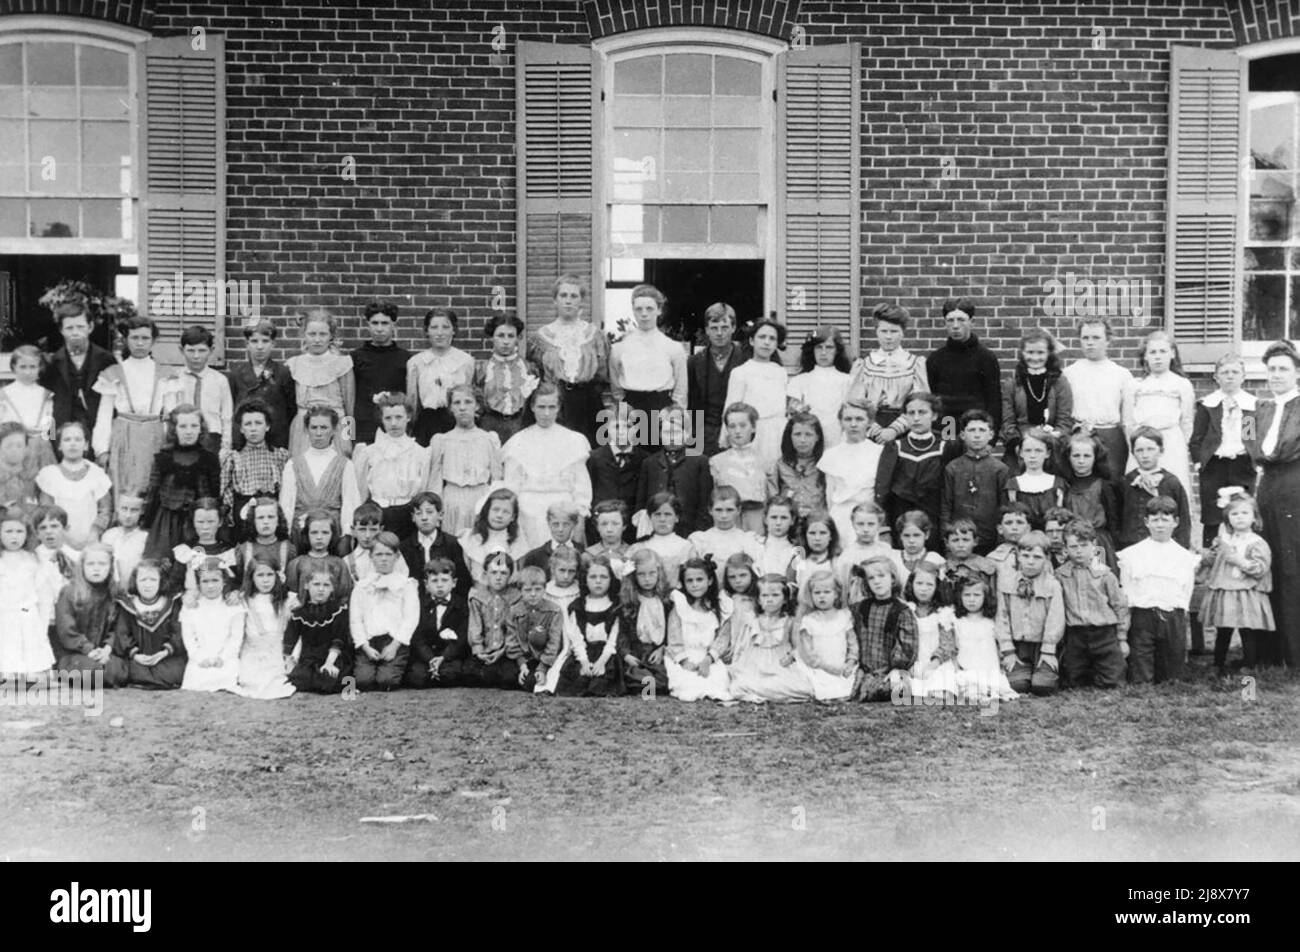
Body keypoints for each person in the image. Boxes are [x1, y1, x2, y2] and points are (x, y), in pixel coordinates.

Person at [1248, 341, 1300, 668]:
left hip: (1295, 486)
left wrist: (1271, 457)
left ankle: (1295, 651)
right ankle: (1271, 650)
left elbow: (1289, 450)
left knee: (1292, 566)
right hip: (1266, 488)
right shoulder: (1258, 409)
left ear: (1296, 373)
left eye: (1283, 369)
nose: (1277, 375)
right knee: (1268, 563)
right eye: (1272, 369)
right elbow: (1250, 444)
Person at [1118, 496, 1199, 684]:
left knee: (1172, 675)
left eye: (1165, 520)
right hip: (1143, 615)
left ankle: (1169, 679)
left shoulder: (1184, 557)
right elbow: (1127, 587)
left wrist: (1181, 612)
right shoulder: (1132, 554)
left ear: (1176, 522)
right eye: (1155, 520)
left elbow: (1186, 588)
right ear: (1146, 522)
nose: (1160, 525)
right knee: (1141, 665)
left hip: (1172, 616)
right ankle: (1142, 682)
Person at [502, 382, 592, 550]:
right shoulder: (518, 442)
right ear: (532, 407)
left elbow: (582, 486)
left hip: (563, 512)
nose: (546, 413)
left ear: (559, 408)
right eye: (541, 407)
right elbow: (511, 486)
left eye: (552, 407)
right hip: (528, 513)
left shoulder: (573, 440)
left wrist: (580, 518)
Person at [528, 274, 611, 446]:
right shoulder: (541, 338)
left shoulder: (594, 336)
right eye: (563, 295)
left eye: (574, 296)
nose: (568, 301)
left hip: (589, 403)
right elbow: (535, 378)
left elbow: (604, 377)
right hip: (556, 403)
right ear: (554, 300)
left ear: (581, 301)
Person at [92, 315, 169, 500]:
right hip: (123, 437)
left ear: (153, 341)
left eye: (145, 338)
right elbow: (103, 415)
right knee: (124, 489)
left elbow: (170, 413)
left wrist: (169, 446)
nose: (140, 343)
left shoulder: (165, 374)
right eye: (135, 338)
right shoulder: (114, 373)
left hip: (154, 437)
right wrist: (101, 449)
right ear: (126, 340)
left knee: (151, 486)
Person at [1200, 492, 1276, 677]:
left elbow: (1260, 568)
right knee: (1223, 629)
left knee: (1247, 629)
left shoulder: (1257, 542)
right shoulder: (1224, 541)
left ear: (1254, 517)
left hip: (1246, 592)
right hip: (1225, 590)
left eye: (1244, 513)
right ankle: (1217, 664)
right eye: (1234, 514)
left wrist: (1239, 561)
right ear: (1228, 519)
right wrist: (1210, 556)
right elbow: (1214, 563)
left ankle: (1249, 665)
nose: (1239, 517)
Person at [874, 392, 959, 549]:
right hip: (900, 516)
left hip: (933, 516)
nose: (916, 418)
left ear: (934, 416)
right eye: (911, 413)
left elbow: (950, 489)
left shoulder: (945, 446)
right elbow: (882, 490)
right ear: (905, 416)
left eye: (922, 412)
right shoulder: (895, 447)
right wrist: (884, 527)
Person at [1190, 353, 1258, 547]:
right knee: (1213, 515)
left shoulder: (1249, 405)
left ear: (1243, 376)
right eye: (1225, 372)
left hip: (1241, 464)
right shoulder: (1208, 405)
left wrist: (1254, 461)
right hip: (1214, 466)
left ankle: (1242, 551)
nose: (1230, 376)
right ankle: (1211, 559)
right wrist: (1198, 462)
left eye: (1235, 372)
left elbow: (1250, 437)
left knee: (1241, 511)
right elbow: (1196, 439)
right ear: (1216, 377)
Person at [141, 406, 222, 564]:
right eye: (183, 426)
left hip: (199, 524)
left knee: (198, 566)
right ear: (174, 429)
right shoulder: (163, 458)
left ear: (201, 428)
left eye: (194, 426)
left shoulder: (209, 459)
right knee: (164, 563)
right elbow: (153, 492)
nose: (189, 431)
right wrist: (147, 522)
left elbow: (214, 494)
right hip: (166, 523)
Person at [1056, 520, 1129, 689]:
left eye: (1083, 545)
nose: (1079, 551)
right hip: (1075, 635)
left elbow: (1120, 606)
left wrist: (1122, 637)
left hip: (1104, 633)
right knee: (1072, 680)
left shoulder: (1105, 574)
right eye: (1073, 547)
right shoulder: (1060, 575)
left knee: (1113, 679)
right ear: (1066, 548)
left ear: (1093, 545)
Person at [1124, 331, 1195, 502]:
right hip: (1142, 441)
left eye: (1163, 352)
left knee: (1171, 485)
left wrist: (1178, 443)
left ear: (1172, 354)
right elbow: (1128, 421)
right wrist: (1134, 446)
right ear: (1145, 356)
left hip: (1171, 441)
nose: (1158, 357)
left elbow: (1187, 421)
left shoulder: (1182, 384)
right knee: (1140, 486)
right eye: (1153, 352)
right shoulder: (1135, 385)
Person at [1062, 318, 1133, 483]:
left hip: (1111, 438)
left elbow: (1128, 417)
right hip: (1079, 436)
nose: (1090, 343)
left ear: (1108, 340)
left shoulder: (1121, 374)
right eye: (1085, 338)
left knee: (1112, 485)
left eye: (1096, 338)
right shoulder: (1069, 373)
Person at [993, 531, 1064, 696]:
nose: (1031, 561)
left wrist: (1048, 650)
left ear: (1046, 559)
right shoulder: (1007, 582)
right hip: (1018, 646)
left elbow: (1056, 619)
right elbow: (1001, 617)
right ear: (1018, 556)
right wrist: (1008, 651)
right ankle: (1021, 669)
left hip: (1043, 646)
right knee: (1018, 685)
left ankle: (1044, 669)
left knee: (1043, 686)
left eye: (1037, 557)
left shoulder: (1052, 585)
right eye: (1026, 556)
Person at [40, 303, 116, 455]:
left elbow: (114, 404)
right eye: (69, 328)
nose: (75, 332)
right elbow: (45, 407)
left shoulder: (106, 360)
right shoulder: (52, 363)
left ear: (90, 327)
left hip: (97, 433)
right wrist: (48, 441)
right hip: (63, 437)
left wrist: (106, 446)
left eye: (80, 327)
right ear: (61, 330)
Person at [426, 384, 502, 537]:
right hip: (452, 500)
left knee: (486, 545)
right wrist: (435, 510)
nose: (462, 408)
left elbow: (497, 479)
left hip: (481, 499)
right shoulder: (442, 440)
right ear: (451, 408)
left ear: (477, 406)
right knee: (453, 545)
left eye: (468, 402)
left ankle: (496, 561)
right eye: (457, 403)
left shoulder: (489, 439)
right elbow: (434, 481)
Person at [728, 573, 814, 703]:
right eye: (765, 595)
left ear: (785, 599)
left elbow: (798, 646)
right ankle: (760, 692)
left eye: (775, 595)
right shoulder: (753, 620)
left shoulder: (789, 621)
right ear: (758, 599)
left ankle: (766, 692)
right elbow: (743, 645)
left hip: (780, 665)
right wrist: (739, 663)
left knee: (802, 687)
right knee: (738, 686)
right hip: (755, 664)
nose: (769, 599)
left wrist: (791, 656)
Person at [847, 303, 929, 438]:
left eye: (894, 331)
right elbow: (856, 403)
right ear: (876, 332)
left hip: (905, 430)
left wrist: (894, 430)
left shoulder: (914, 364)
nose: (888, 337)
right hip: (870, 430)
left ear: (903, 333)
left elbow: (920, 403)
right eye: (884, 331)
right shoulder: (865, 365)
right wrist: (875, 431)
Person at [353, 391, 428, 539]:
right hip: (377, 514)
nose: (393, 423)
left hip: (407, 516)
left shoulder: (420, 453)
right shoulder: (369, 452)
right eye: (388, 418)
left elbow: (423, 489)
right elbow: (360, 491)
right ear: (382, 419)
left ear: (408, 417)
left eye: (399, 417)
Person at [349, 531, 419, 691]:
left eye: (388, 554)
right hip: (369, 642)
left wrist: (394, 646)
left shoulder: (406, 585)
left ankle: (394, 670)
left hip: (394, 641)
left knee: (386, 681)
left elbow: (411, 618)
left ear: (396, 556)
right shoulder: (362, 586)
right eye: (379, 554)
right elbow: (356, 620)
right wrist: (364, 646)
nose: (384, 559)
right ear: (371, 556)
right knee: (363, 682)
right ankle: (368, 669)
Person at [609, 284, 687, 422]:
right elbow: (616, 386)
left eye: (649, 308)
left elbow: (681, 388)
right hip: (630, 411)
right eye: (639, 309)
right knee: (630, 443)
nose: (644, 314)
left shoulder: (673, 348)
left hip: (663, 411)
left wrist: (673, 411)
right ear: (633, 310)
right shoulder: (619, 348)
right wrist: (623, 407)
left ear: (659, 310)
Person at [279, 406, 361, 536]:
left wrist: (347, 535)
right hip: (300, 534)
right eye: (314, 427)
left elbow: (351, 503)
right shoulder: (293, 464)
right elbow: (286, 504)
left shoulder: (345, 465)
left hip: (333, 534)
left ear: (334, 430)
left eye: (324, 428)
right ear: (306, 430)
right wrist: (285, 535)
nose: (318, 433)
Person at [925, 297, 1001, 435]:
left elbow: (994, 400)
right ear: (944, 323)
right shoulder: (936, 359)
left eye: (961, 320)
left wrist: (992, 438)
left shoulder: (986, 358)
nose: (955, 325)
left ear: (972, 322)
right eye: (950, 320)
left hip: (976, 426)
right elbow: (931, 398)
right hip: (946, 426)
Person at [0, 507, 60, 680]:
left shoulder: (34, 560)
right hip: (3, 618)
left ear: (27, 534)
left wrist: (42, 624)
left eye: (19, 531)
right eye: (8, 531)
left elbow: (44, 596)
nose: (14, 536)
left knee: (34, 673)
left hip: (28, 618)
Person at [52, 542, 125, 685]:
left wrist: (107, 648)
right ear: (82, 567)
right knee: (90, 670)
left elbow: (119, 628)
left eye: (102, 564)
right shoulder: (69, 592)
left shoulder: (115, 594)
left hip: (104, 653)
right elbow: (66, 629)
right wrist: (88, 649)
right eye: (91, 564)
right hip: (75, 653)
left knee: (117, 670)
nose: (96, 568)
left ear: (110, 568)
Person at [285, 309, 354, 458]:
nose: (317, 340)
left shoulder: (342, 364)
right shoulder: (294, 365)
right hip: (303, 429)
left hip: (335, 428)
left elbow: (349, 409)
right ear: (304, 335)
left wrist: (349, 440)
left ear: (331, 336)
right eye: (312, 334)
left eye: (322, 334)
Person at [1000, 329, 1073, 466]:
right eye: (1030, 352)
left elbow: (1064, 421)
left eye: (1040, 353)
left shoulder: (1060, 382)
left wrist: (1048, 442)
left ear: (1049, 354)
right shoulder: (1013, 383)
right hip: (1020, 448)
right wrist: (1020, 446)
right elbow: (1007, 422)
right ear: (1022, 353)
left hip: (1051, 447)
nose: (1035, 358)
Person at [940, 409, 1009, 555]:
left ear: (991, 435)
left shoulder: (1000, 469)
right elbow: (946, 505)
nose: (977, 435)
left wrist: (1001, 539)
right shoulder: (953, 467)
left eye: (982, 430)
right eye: (971, 430)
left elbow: (1004, 507)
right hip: (960, 540)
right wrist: (945, 536)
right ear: (963, 435)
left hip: (990, 540)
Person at [848, 556, 917, 701]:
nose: (877, 581)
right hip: (864, 668)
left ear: (892, 578)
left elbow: (907, 646)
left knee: (896, 684)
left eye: (881, 576)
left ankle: (878, 688)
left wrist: (896, 667)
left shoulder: (901, 610)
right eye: (871, 578)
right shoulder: (860, 608)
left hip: (889, 670)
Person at [220, 400, 291, 541]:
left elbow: (288, 491)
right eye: (248, 424)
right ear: (241, 428)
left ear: (267, 426)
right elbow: (226, 491)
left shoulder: (280, 455)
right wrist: (230, 519)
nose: (253, 429)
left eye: (258, 423)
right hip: (243, 513)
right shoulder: (233, 457)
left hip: (271, 513)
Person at [635, 407, 712, 537]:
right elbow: (641, 501)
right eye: (666, 432)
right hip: (656, 529)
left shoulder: (700, 461)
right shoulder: (649, 463)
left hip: (689, 528)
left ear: (687, 434)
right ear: (659, 434)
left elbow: (704, 502)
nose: (670, 437)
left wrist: (699, 532)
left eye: (676, 432)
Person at [721, 319, 787, 467]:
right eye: (762, 337)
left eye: (772, 339)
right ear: (752, 341)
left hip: (777, 433)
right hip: (752, 433)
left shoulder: (780, 372)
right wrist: (727, 436)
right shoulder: (741, 372)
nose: (767, 342)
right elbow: (731, 407)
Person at [665, 558, 734, 701]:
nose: (695, 585)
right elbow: (674, 636)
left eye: (699, 579)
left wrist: (709, 659)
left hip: (708, 656)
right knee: (688, 685)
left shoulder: (720, 606)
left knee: (717, 682)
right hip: (685, 655)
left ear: (709, 581)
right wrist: (684, 661)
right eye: (689, 581)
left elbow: (722, 637)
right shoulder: (680, 604)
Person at [818, 398, 884, 545]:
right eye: (848, 419)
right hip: (840, 516)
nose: (853, 424)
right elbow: (829, 494)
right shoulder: (831, 454)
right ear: (841, 422)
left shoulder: (879, 452)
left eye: (859, 419)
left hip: (868, 517)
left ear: (870, 421)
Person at [36, 422, 112, 549]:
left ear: (86, 445)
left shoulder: (97, 474)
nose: (72, 444)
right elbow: (46, 511)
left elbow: (105, 510)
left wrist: (94, 533)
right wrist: (66, 537)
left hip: (90, 542)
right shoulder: (49, 475)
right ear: (59, 445)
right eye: (67, 439)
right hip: (59, 542)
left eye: (78, 439)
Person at [113, 559, 186, 689]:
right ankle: (150, 678)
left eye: (153, 580)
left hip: (165, 657)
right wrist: (135, 655)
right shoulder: (127, 605)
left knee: (177, 670)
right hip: (138, 659)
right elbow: (122, 634)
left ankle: (148, 679)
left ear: (161, 581)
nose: (148, 585)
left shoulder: (171, 603)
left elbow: (178, 632)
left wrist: (164, 652)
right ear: (135, 581)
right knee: (124, 669)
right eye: (143, 580)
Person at [162, 325, 234, 456]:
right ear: (181, 350)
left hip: (212, 439)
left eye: (202, 350)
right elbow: (168, 416)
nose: (196, 356)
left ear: (211, 350)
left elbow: (226, 417)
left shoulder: (220, 380)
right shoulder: (173, 379)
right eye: (191, 350)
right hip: (182, 438)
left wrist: (226, 446)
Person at [686, 302, 747, 456]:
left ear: (733, 328)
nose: (719, 333)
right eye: (714, 328)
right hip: (705, 432)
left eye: (725, 327)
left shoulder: (746, 359)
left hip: (738, 430)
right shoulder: (695, 362)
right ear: (707, 330)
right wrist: (694, 443)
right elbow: (691, 403)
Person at [226, 318, 296, 450]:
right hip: (244, 441)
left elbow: (291, 410)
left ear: (273, 343)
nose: (259, 347)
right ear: (247, 344)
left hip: (275, 440)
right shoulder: (236, 374)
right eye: (254, 341)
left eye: (265, 341)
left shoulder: (283, 373)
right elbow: (232, 410)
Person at [1117, 426, 1192, 550]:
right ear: (1133, 453)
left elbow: (1183, 519)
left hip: (1164, 546)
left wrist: (1182, 548)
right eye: (1139, 450)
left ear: (1161, 451)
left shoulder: (1171, 482)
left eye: (1150, 449)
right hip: (1131, 546)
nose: (1145, 455)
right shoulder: (1126, 482)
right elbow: (1118, 518)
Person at [408, 307, 474, 446]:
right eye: (434, 327)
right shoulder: (416, 362)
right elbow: (413, 401)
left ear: (453, 330)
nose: (440, 333)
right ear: (427, 331)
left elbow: (469, 395)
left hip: (456, 421)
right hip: (427, 423)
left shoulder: (465, 361)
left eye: (445, 327)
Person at [350, 301, 411, 446]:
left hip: (394, 430)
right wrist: (347, 438)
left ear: (394, 324)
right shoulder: (355, 358)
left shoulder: (406, 358)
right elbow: (348, 402)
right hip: (363, 432)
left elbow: (409, 401)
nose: (379, 328)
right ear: (367, 324)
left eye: (385, 323)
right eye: (374, 323)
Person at [235, 556, 296, 699]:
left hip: (280, 651)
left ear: (277, 576)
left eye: (270, 575)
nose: (266, 580)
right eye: (260, 575)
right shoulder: (245, 599)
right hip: (254, 651)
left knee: (279, 680)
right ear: (252, 578)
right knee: (251, 681)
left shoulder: (289, 599)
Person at [179, 558, 244, 693]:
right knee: (197, 681)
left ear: (224, 582)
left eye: (215, 580)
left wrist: (224, 657)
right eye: (205, 581)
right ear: (199, 584)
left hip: (226, 661)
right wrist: (199, 657)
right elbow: (189, 637)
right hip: (200, 661)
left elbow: (235, 638)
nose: (210, 586)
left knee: (227, 679)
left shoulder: (233, 607)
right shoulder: (191, 607)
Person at [403, 557, 469, 688]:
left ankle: (440, 672)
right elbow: (417, 637)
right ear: (426, 584)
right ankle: (432, 671)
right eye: (434, 581)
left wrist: (443, 657)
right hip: (426, 656)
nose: (439, 585)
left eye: (444, 580)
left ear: (454, 582)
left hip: (449, 655)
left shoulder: (461, 605)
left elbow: (461, 636)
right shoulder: (419, 604)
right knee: (417, 677)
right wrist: (430, 658)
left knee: (450, 676)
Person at [1059, 427, 1120, 569]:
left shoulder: (1103, 486)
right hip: (1072, 543)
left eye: (1087, 456)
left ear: (1095, 457)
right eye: (1076, 456)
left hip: (1097, 543)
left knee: (1097, 577)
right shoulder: (1064, 485)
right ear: (1068, 457)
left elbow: (1113, 519)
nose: (1081, 461)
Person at [474, 314, 540, 444]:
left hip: (522, 425)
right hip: (490, 426)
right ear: (492, 337)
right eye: (500, 335)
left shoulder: (529, 368)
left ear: (517, 338)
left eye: (511, 336)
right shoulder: (482, 369)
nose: (506, 341)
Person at [950, 575, 1017, 703]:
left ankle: (989, 688)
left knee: (992, 683)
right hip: (967, 666)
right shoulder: (957, 622)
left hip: (988, 666)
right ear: (960, 597)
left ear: (985, 597)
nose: (971, 600)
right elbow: (954, 648)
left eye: (976, 595)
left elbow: (998, 646)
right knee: (968, 683)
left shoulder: (991, 622)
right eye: (967, 595)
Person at [284, 569, 352, 694]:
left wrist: (329, 663)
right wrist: (288, 661)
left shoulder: (339, 611)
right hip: (309, 658)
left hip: (332, 656)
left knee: (330, 679)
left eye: (326, 585)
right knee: (299, 679)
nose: (321, 589)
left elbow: (339, 639)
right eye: (316, 584)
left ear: (332, 588)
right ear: (306, 585)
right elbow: (290, 639)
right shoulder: (298, 613)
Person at [617, 548, 674, 695]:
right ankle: (646, 688)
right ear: (633, 576)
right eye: (641, 574)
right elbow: (622, 633)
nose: (647, 579)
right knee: (638, 676)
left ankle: (653, 686)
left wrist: (662, 648)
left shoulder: (666, 601)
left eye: (652, 574)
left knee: (664, 678)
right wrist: (626, 654)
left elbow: (672, 631)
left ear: (659, 573)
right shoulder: (630, 602)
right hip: (636, 652)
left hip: (657, 652)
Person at [796, 569, 857, 701]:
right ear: (811, 595)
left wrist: (850, 662)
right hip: (820, 667)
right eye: (817, 593)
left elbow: (853, 643)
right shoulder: (809, 620)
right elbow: (808, 650)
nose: (822, 596)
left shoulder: (844, 615)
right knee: (818, 686)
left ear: (836, 594)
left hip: (842, 666)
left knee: (849, 684)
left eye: (827, 592)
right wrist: (825, 667)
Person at [786, 326, 853, 447]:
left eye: (829, 347)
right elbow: (792, 412)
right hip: (808, 442)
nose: (823, 353)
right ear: (812, 350)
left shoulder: (848, 381)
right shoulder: (799, 381)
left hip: (839, 440)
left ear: (837, 350)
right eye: (818, 347)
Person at [464, 551, 523, 687]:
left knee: (508, 678)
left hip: (507, 653)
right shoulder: (478, 598)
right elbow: (475, 628)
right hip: (484, 651)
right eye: (494, 572)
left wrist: (502, 652)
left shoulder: (516, 598)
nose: (498, 578)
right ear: (486, 575)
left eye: (503, 573)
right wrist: (479, 650)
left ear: (510, 576)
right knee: (468, 674)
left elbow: (515, 632)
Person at [503, 566, 564, 693]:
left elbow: (553, 643)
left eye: (538, 589)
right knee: (505, 677)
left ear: (544, 589)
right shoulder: (514, 611)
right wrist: (522, 665)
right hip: (522, 659)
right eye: (527, 590)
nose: (533, 594)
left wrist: (542, 668)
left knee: (534, 682)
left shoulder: (554, 611)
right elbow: (511, 640)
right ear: (520, 591)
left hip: (544, 658)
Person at [400, 491, 470, 600]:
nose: (424, 517)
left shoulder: (452, 544)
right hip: (415, 603)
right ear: (413, 517)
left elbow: (462, 580)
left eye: (429, 512)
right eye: (419, 513)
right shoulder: (405, 546)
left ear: (440, 515)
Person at [710, 403, 769, 533]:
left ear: (753, 427)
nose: (737, 431)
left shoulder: (765, 460)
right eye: (732, 426)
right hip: (728, 522)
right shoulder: (717, 462)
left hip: (756, 522)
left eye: (743, 425)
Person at [687, 486, 762, 585]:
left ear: (738, 510)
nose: (724, 516)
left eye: (729, 510)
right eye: (718, 510)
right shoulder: (699, 539)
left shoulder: (748, 539)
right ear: (710, 510)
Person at [586, 418, 645, 544]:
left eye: (628, 426)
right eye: (617, 427)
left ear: (636, 429)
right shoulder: (594, 458)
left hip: (633, 530)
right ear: (607, 429)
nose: (622, 432)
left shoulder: (645, 459)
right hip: (600, 530)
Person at [904, 562, 958, 699]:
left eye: (929, 585)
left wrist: (934, 663)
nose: (924, 589)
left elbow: (947, 643)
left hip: (937, 662)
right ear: (912, 585)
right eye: (919, 584)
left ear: (937, 587)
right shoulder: (907, 610)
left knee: (943, 681)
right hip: (913, 661)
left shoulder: (942, 613)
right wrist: (908, 664)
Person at [1, 345, 56, 472]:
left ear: (39, 368)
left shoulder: (46, 394)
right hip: (12, 449)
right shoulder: (4, 395)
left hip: (40, 451)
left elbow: (50, 430)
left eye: (32, 367)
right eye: (22, 367)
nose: (27, 372)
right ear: (14, 367)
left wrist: (44, 439)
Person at [459, 488, 529, 585]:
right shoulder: (471, 539)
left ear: (513, 517)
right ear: (487, 511)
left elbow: (521, 575)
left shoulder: (518, 541)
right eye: (496, 510)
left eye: (506, 512)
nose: (499, 515)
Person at [767, 412, 826, 520]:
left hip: (816, 525)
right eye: (797, 434)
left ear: (817, 437)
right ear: (790, 436)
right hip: (788, 523)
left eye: (808, 434)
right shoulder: (780, 465)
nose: (802, 440)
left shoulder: (825, 466)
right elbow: (773, 498)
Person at [628, 492, 694, 586]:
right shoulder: (640, 546)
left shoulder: (685, 546)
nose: (662, 519)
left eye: (667, 514)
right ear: (650, 517)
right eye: (657, 514)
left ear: (676, 518)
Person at [1006, 427, 1067, 530]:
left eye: (1038, 451)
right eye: (1028, 450)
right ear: (1020, 453)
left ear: (1047, 453)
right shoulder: (1013, 485)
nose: (1033, 456)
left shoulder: (1058, 484)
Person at [286, 510, 351, 601]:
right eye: (314, 532)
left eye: (325, 532)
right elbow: (291, 594)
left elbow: (344, 595)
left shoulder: (339, 564)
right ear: (307, 534)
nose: (319, 537)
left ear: (332, 534)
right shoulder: (296, 563)